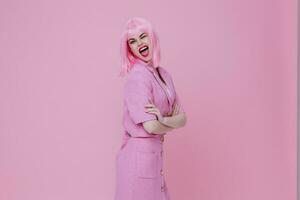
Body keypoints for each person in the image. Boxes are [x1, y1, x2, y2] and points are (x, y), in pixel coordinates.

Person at [115, 17, 187, 200]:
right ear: (129, 48)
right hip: (137, 159)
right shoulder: (137, 78)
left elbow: (183, 118)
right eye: (132, 41)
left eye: (142, 36)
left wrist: (162, 120)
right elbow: (151, 127)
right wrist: (169, 122)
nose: (139, 43)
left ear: (152, 38)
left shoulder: (164, 75)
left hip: (153, 156)